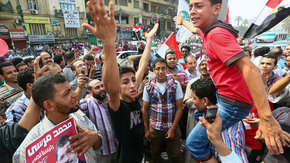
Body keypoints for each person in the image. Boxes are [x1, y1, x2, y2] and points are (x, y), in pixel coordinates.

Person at [174, 0, 285, 161]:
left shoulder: (216, 34)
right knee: (200, 113)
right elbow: (194, 29)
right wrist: (182, 21)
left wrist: (266, 118)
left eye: (199, 6)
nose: (192, 11)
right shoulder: (209, 31)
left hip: (231, 105)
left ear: (216, 8)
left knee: (194, 143)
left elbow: (250, 69)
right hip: (224, 98)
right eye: (190, 7)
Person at [82, 1, 158, 161]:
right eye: (125, 82)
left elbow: (143, 66)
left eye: (133, 80)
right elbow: (111, 88)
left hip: (141, 155)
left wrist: (149, 39)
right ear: (118, 86)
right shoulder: (117, 105)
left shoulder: (131, 94)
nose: (132, 85)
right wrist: (109, 43)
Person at [13, 74, 102, 162]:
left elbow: (98, 144)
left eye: (71, 89)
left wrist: (96, 138)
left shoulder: (77, 114)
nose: (75, 94)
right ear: (48, 105)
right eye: (66, 93)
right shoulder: (31, 145)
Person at [190, 78, 248, 162]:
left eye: (194, 98)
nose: (192, 101)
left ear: (205, 101)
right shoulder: (209, 117)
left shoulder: (225, 131)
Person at [143, 58, 183, 163]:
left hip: (172, 125)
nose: (160, 71)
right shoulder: (148, 87)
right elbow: (145, 109)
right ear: (153, 70)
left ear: (167, 69)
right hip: (155, 127)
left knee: (175, 154)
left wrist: (173, 129)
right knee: (155, 153)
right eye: (158, 69)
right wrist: (147, 130)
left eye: (163, 68)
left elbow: (179, 108)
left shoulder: (175, 84)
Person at [79, 79, 118, 163]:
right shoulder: (87, 103)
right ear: (90, 92)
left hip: (118, 148)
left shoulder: (112, 100)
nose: (101, 89)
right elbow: (72, 109)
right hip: (101, 153)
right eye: (97, 87)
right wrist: (79, 88)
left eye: (102, 86)